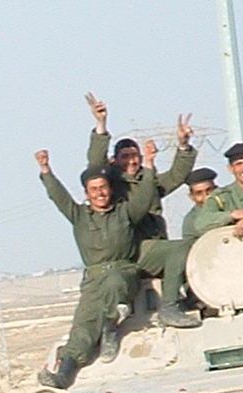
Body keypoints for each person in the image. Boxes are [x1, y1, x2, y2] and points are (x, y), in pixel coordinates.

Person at [34, 145, 157, 388]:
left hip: (123, 271)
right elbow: (59, 197)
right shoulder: (79, 216)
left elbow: (144, 197)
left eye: (103, 188)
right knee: (83, 326)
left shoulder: (125, 213)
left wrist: (150, 165)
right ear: (87, 193)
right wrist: (46, 170)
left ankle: (110, 329)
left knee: (114, 283)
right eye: (94, 190)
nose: (100, 193)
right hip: (93, 280)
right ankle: (63, 375)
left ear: (110, 189)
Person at [84, 92, 200, 328]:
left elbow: (178, 175)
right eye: (125, 157)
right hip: (132, 250)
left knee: (189, 252)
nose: (132, 161)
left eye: (135, 156)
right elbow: (95, 164)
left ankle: (180, 302)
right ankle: (168, 307)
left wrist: (183, 145)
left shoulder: (150, 182)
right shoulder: (112, 187)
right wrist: (101, 124)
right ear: (115, 161)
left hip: (155, 245)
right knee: (179, 249)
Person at [181, 167, 218, 242]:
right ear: (192, 197)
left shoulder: (230, 205)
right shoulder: (191, 220)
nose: (206, 196)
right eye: (199, 193)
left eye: (209, 190)